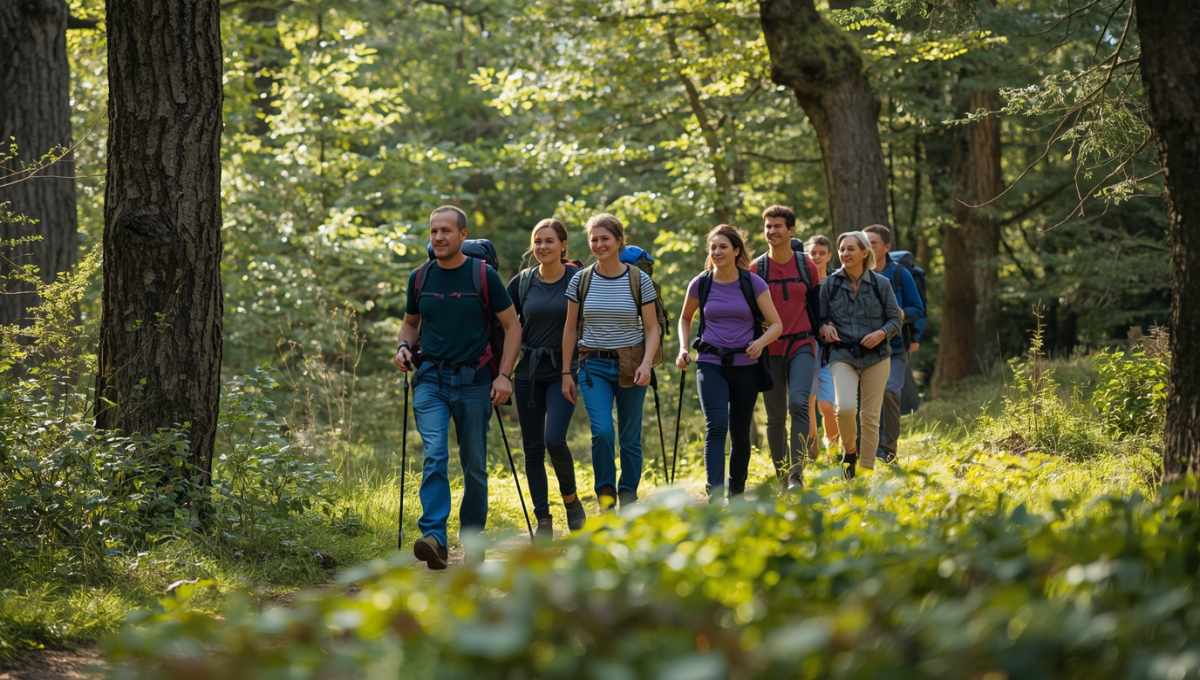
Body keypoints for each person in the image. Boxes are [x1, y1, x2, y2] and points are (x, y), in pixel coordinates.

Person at [393, 205, 521, 570]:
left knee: (475, 466)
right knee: (434, 454)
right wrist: (403, 346)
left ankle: (473, 539)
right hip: (431, 378)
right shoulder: (420, 278)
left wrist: (504, 375)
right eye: (434, 231)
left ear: (463, 235)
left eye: (446, 231)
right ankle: (434, 537)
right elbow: (410, 324)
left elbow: (513, 328)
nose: (439, 237)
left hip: (475, 381)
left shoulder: (483, 276)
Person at [561, 214, 661, 511]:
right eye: (594, 239)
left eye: (605, 238)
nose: (600, 244)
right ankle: (606, 497)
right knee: (602, 431)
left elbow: (652, 327)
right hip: (593, 365)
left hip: (632, 364)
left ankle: (628, 495)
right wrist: (566, 371)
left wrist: (646, 363)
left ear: (619, 241)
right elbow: (569, 328)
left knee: (630, 437)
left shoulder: (638, 279)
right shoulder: (581, 279)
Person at [676, 225, 783, 500]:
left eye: (723, 247)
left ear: (736, 251)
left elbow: (776, 325)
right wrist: (683, 348)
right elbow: (685, 318)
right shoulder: (702, 283)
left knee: (739, 429)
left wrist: (760, 343)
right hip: (710, 361)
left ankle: (736, 492)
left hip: (745, 364)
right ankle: (715, 491)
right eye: (713, 247)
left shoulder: (752, 283)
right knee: (716, 425)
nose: (717, 252)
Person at [506, 219, 586, 541]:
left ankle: (571, 501)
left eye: (549, 241)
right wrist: (499, 371)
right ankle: (543, 519)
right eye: (537, 241)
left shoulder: (578, 280)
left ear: (563, 245)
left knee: (554, 439)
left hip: (563, 370)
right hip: (528, 372)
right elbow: (506, 326)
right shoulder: (523, 282)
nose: (542, 247)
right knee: (532, 448)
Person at [818, 230, 902, 479]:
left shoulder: (881, 284)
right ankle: (850, 453)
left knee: (870, 417)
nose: (845, 254)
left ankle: (865, 472)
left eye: (850, 249)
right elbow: (820, 320)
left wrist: (881, 334)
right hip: (842, 355)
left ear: (865, 252)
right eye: (842, 249)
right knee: (844, 408)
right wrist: (825, 327)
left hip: (877, 357)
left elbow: (896, 320)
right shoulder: (830, 284)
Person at [755, 205, 820, 489]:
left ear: (791, 230)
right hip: (770, 350)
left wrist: (825, 333)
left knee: (798, 404)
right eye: (768, 226)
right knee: (775, 416)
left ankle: (796, 474)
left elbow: (817, 307)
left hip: (802, 344)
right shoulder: (757, 268)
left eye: (778, 226)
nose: (772, 231)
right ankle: (782, 475)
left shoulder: (807, 265)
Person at [863, 224, 925, 464]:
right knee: (867, 397)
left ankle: (888, 449)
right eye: (865, 242)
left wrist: (901, 315)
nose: (869, 247)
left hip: (895, 347)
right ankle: (866, 447)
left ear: (886, 247)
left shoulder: (900, 274)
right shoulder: (856, 273)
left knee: (889, 390)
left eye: (874, 242)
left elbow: (918, 309)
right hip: (864, 348)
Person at [804, 234, 840, 456]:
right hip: (806, 347)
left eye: (821, 253)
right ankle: (811, 448)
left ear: (829, 255)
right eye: (813, 253)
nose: (816, 257)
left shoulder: (836, 282)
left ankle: (833, 446)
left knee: (827, 404)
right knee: (807, 401)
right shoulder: (803, 283)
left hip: (830, 349)